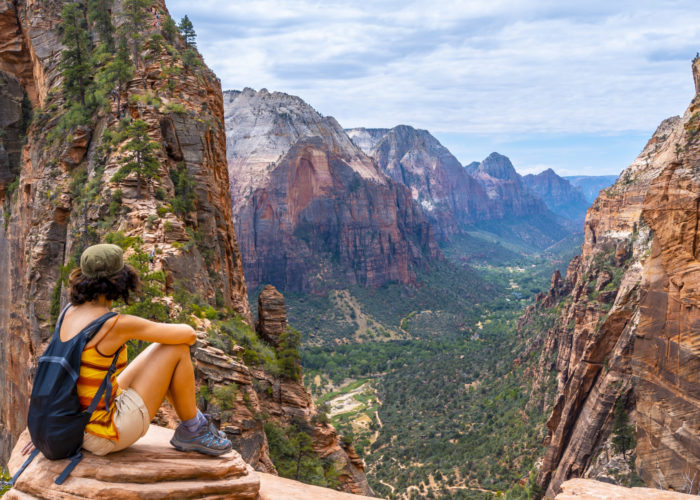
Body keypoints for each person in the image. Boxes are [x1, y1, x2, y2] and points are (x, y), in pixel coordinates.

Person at [23, 243, 231, 457]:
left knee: (159, 349)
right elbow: (189, 334)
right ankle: (194, 430)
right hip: (101, 435)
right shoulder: (113, 324)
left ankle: (193, 426)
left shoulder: (68, 312)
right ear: (121, 281)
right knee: (176, 349)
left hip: (73, 422)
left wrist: (46, 431)